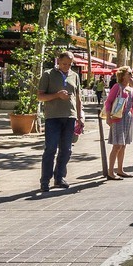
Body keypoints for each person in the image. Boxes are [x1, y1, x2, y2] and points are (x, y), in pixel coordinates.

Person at [37, 50, 83, 192]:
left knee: (67, 150)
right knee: (50, 148)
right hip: (53, 117)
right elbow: (40, 97)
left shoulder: (74, 76)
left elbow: (78, 98)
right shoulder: (48, 74)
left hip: (70, 116)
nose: (67, 67)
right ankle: (45, 180)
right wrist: (56, 95)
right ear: (58, 61)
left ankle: (59, 177)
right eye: (64, 64)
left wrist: (80, 116)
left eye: (69, 64)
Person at [102, 66, 133, 179]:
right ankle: (110, 171)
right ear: (122, 75)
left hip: (128, 118)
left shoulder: (130, 88)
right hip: (118, 118)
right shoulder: (117, 87)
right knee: (117, 145)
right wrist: (108, 117)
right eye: (129, 73)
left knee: (123, 145)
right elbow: (108, 102)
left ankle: (120, 169)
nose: (131, 75)